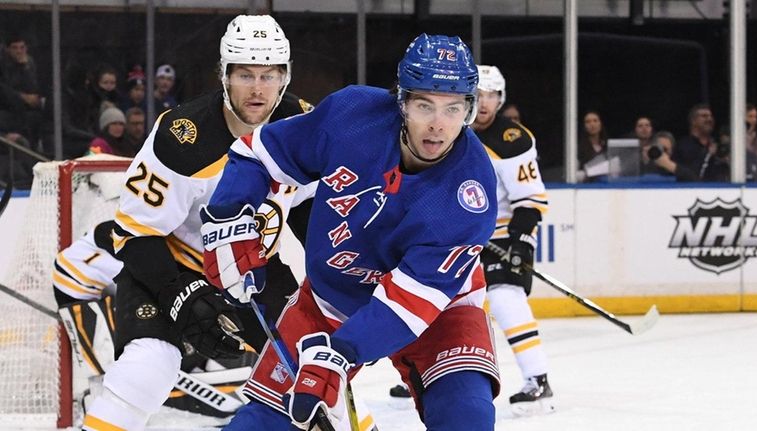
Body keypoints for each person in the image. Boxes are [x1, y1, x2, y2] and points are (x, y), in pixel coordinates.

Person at [201, 33, 499, 431]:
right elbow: (258, 154)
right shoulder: (352, 115)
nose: (437, 125)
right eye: (424, 105)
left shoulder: (470, 192)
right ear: (402, 102)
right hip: (330, 301)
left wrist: (339, 354)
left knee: (467, 415)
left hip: (439, 312)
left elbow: (409, 306)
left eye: (453, 109)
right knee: (258, 426)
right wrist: (228, 217)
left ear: (469, 110)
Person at [79, 15, 316, 431]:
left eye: (268, 75)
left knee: (313, 369)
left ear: (285, 76)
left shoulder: (301, 124)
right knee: (149, 365)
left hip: (250, 266)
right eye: (244, 74)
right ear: (224, 75)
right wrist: (180, 293)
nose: (258, 89)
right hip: (170, 264)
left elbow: (309, 209)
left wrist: (338, 268)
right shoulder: (181, 135)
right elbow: (134, 233)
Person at [471, 65, 553, 415]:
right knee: (439, 302)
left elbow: (531, 199)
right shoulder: (450, 132)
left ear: (501, 99)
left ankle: (538, 378)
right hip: (461, 233)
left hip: (505, 231)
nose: (484, 102)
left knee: (505, 297)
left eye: (491, 95)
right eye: (478, 95)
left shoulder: (513, 139)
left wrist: (518, 241)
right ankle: (427, 371)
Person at [673, 103, 728, 182]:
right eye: (704, 116)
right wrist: (707, 155)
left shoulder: (717, 145)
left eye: (710, 116)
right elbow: (689, 173)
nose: (709, 119)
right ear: (693, 121)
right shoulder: (683, 146)